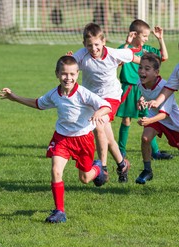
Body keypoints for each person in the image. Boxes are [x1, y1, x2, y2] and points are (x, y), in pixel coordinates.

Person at [0, 55, 111, 223]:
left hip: (83, 139)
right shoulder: (54, 94)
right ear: (57, 74)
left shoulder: (84, 94)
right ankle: (59, 211)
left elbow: (106, 106)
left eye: (72, 74)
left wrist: (98, 113)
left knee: (85, 179)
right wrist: (14, 97)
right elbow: (38, 104)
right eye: (64, 74)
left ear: (77, 74)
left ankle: (98, 168)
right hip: (62, 139)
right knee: (56, 170)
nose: (68, 78)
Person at [71, 23, 133, 183]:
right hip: (92, 100)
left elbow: (134, 57)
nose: (94, 48)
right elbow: (67, 67)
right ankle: (122, 164)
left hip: (111, 98)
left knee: (98, 126)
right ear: (84, 45)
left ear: (103, 41)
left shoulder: (113, 53)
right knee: (107, 137)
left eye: (97, 44)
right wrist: (68, 61)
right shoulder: (81, 55)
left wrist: (151, 68)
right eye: (89, 45)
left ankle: (102, 169)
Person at [116, 19, 172, 160]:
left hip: (146, 89)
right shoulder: (125, 48)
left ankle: (155, 152)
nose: (147, 39)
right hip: (129, 88)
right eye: (145, 36)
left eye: (148, 36)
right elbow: (118, 61)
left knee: (149, 120)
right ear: (135, 34)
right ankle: (121, 151)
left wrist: (160, 39)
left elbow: (164, 56)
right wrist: (127, 43)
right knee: (126, 120)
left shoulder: (147, 52)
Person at [136, 53, 179, 184]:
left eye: (147, 69)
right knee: (145, 138)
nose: (142, 71)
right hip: (155, 117)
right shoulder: (140, 83)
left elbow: (164, 114)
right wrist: (141, 100)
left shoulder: (164, 86)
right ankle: (147, 170)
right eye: (140, 67)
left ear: (156, 72)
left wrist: (148, 121)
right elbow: (146, 95)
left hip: (172, 122)